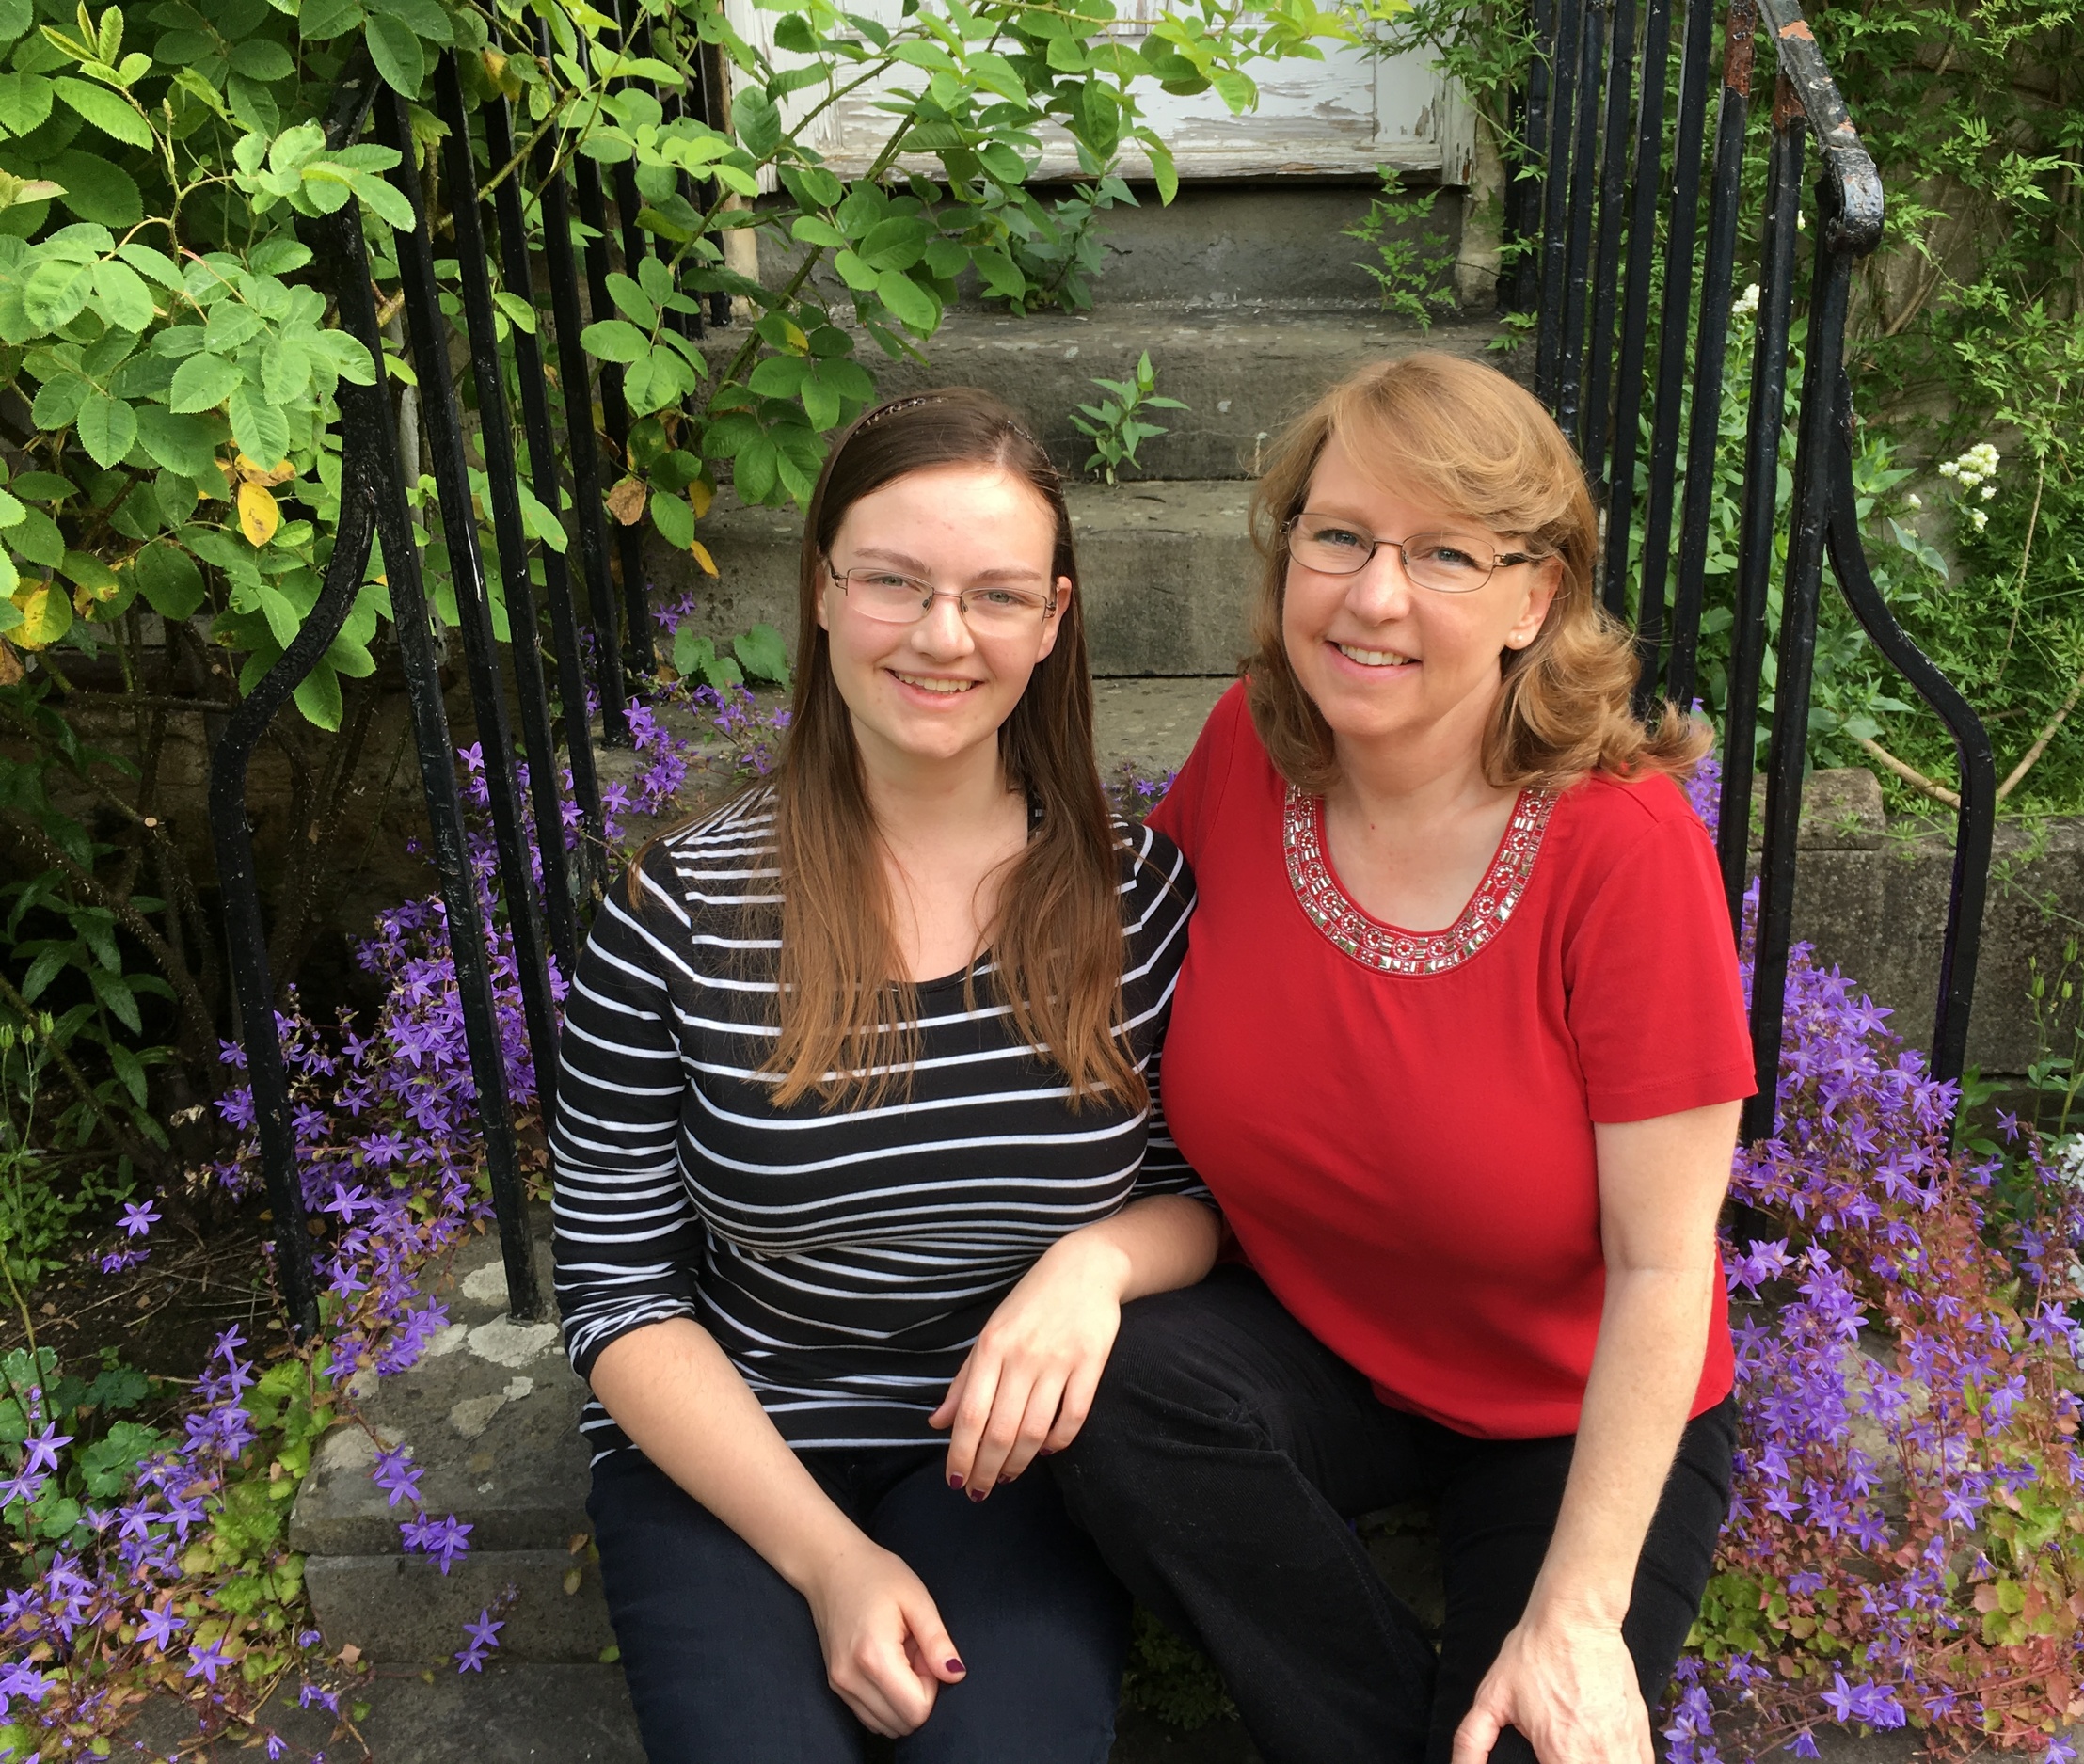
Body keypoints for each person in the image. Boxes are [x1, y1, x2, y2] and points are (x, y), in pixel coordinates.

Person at [1053, 352, 1754, 1764]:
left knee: (1538, 1730)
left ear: (1533, 597)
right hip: (1320, 1345)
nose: (1374, 596)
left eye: (1443, 553)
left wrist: (1575, 1616)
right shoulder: (1245, 754)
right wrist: (1086, 1259)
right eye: (1340, 537)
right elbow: (1105, 1010)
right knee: (1106, 1389)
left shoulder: (1619, 846)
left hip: (1566, 1401)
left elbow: (1667, 1266)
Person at [551, 389, 1221, 1764]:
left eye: (993, 594)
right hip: (733, 1449)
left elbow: (1201, 1196)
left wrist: (1093, 1267)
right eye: (893, 582)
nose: (940, 635)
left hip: (1011, 1459)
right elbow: (617, 1290)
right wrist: (827, 1561)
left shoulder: (1135, 898)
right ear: (819, 591)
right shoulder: (675, 915)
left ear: (1053, 621)